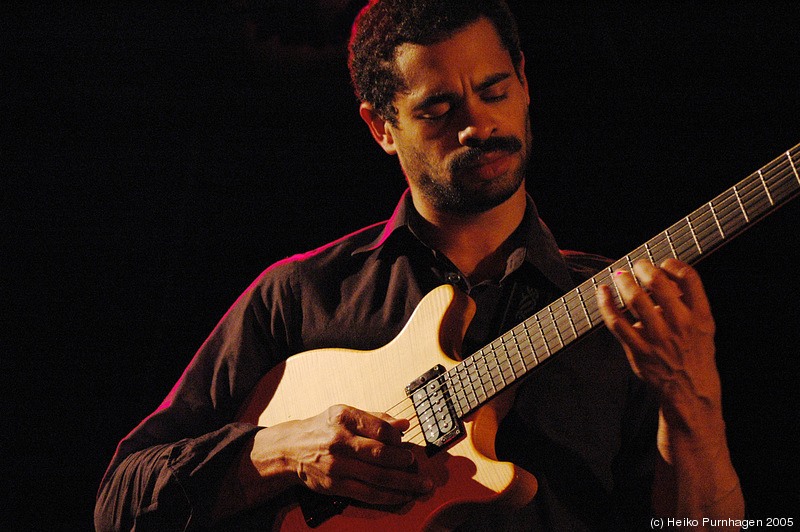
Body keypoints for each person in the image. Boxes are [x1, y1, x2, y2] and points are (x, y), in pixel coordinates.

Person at [95, 1, 745, 530]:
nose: (476, 125)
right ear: (381, 127)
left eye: (493, 89)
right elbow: (121, 499)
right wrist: (287, 451)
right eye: (438, 109)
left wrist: (694, 403)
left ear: (524, 80)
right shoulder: (300, 296)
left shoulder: (627, 319)